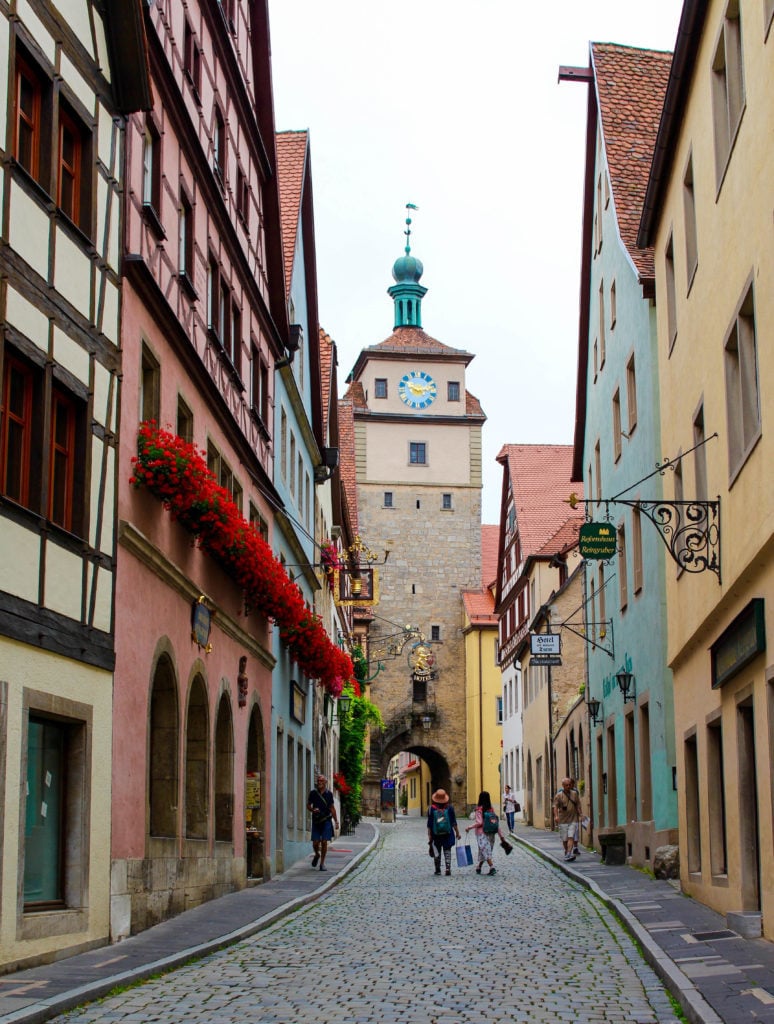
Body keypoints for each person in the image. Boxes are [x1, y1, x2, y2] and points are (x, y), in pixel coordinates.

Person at [466, 790, 502, 875]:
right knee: (484, 850)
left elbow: (479, 823)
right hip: (491, 832)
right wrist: (501, 836)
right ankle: (479, 867)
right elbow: (496, 822)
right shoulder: (491, 810)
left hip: (481, 833)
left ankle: (492, 867)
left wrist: (469, 827)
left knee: (484, 850)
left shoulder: (479, 810)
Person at [426, 788, 461, 875]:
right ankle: (448, 868)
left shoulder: (431, 809)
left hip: (435, 834)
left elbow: (429, 824)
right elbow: (453, 822)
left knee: (437, 851)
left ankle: (437, 869)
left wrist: (429, 836)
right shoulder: (450, 808)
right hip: (447, 833)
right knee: (447, 850)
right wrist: (457, 833)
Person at [308, 774, 338, 871]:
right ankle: (317, 854)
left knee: (324, 842)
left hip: (326, 820)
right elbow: (308, 805)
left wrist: (336, 821)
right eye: (318, 781)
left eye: (321, 781)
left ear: (325, 782)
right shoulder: (313, 793)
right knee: (315, 843)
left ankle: (322, 863)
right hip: (316, 820)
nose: (319, 782)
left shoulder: (329, 794)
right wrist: (313, 810)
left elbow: (332, 808)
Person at [553, 776, 581, 861]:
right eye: (566, 785)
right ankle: (567, 851)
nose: (569, 786)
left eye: (569, 785)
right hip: (563, 820)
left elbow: (578, 805)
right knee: (565, 839)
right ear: (563, 786)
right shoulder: (558, 795)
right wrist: (556, 816)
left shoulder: (574, 794)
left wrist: (581, 814)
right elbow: (555, 806)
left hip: (573, 819)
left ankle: (569, 853)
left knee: (571, 836)